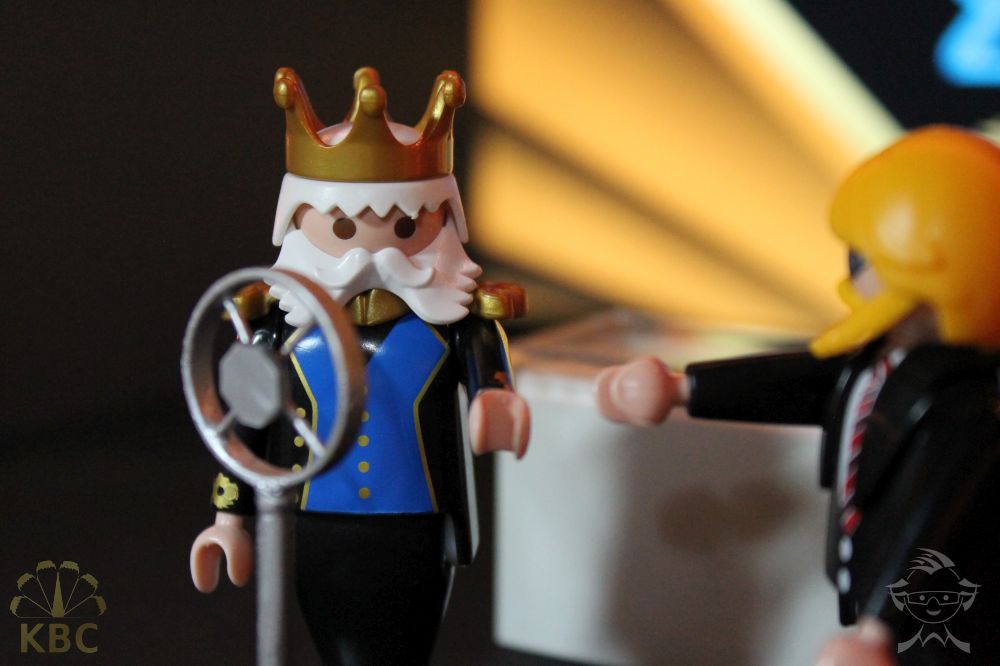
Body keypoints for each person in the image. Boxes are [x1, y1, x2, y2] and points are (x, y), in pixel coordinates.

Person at [596, 126, 1000, 665]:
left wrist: (881, 627)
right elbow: (801, 381)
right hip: (870, 601)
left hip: (941, 622)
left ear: (927, 266)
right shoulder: (879, 360)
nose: (850, 279)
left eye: (861, 260)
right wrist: (680, 389)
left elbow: (933, 522)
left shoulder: (965, 407)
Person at [189, 66, 530, 665]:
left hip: (420, 523)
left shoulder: (453, 326)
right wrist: (228, 519)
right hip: (317, 523)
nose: (375, 256)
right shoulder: (280, 332)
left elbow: (488, 373)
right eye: (343, 228)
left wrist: (495, 399)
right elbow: (246, 427)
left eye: (406, 227)